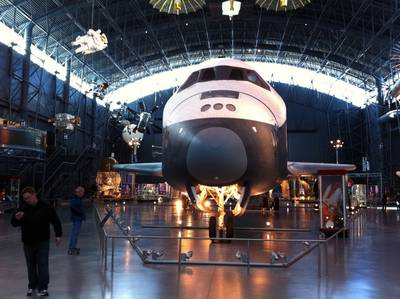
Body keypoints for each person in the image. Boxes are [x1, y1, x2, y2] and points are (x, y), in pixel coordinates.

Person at [11, 187, 62, 297]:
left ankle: (43, 287)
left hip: (42, 241)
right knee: (31, 265)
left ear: (34, 195)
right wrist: (16, 218)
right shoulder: (23, 208)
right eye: (25, 199)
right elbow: (14, 223)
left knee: (42, 264)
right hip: (27, 242)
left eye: (28, 198)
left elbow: (55, 221)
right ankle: (32, 285)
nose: (27, 200)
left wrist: (58, 235)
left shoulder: (46, 207)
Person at [68, 186, 86, 255]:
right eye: (82, 192)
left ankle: (73, 247)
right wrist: (81, 213)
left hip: (78, 218)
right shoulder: (75, 199)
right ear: (79, 192)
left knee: (75, 233)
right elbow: (73, 207)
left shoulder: (77, 198)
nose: (83, 194)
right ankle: (71, 248)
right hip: (77, 218)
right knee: (74, 234)